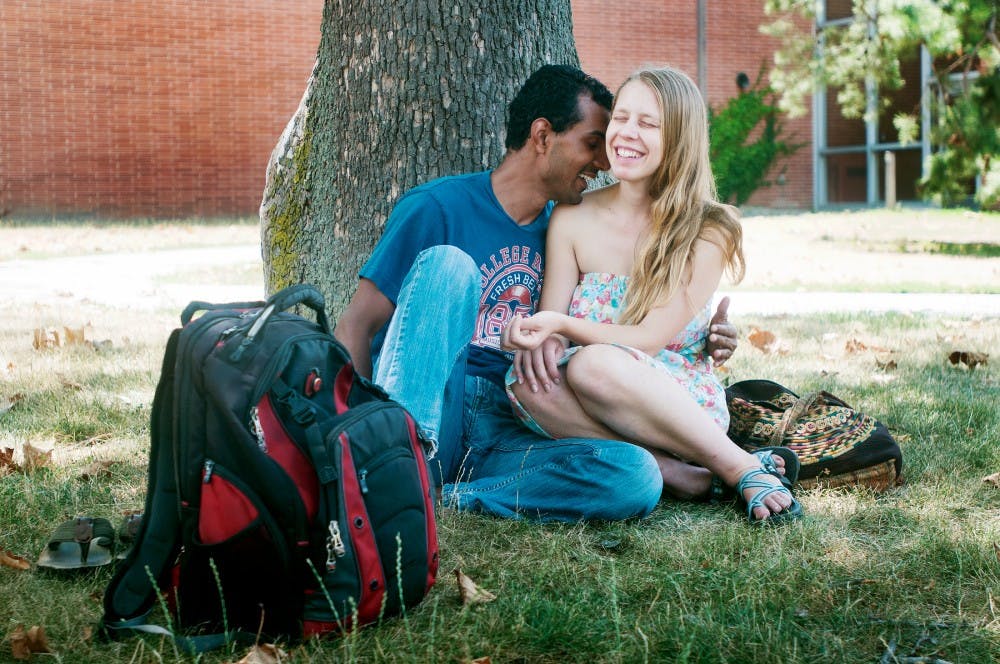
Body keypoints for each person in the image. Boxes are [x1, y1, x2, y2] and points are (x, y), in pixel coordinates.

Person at [333, 64, 737, 522]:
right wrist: (354, 430)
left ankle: (447, 496)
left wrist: (707, 329)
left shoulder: (567, 227)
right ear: (543, 136)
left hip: (517, 421)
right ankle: (392, 469)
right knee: (450, 266)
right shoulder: (438, 207)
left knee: (634, 476)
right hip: (436, 402)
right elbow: (356, 326)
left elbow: (628, 310)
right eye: (592, 142)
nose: (603, 161)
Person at [501, 66, 801, 524]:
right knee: (526, 381)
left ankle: (736, 465)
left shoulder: (710, 228)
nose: (626, 133)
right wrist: (537, 339)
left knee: (594, 362)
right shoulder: (572, 217)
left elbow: (647, 339)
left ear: (679, 138)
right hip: (587, 405)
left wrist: (562, 328)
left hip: (673, 401)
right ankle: (679, 474)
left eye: (648, 123)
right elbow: (552, 321)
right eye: (621, 118)